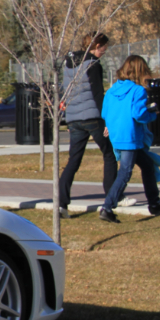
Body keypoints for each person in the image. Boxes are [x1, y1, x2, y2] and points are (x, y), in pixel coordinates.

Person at [98, 55, 160, 223]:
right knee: (125, 172)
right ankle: (107, 207)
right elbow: (138, 114)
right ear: (140, 71)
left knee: (148, 166)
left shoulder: (112, 90)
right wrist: (151, 114)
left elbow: (104, 113)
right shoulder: (138, 91)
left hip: (117, 136)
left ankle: (155, 203)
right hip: (130, 137)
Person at [57, 33, 120, 218]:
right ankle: (111, 198)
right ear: (97, 45)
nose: (105, 51)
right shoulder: (93, 64)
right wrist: (107, 119)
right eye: (104, 48)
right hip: (93, 117)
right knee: (109, 153)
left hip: (74, 118)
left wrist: (67, 115)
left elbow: (66, 91)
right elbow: (98, 94)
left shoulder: (69, 64)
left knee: (73, 160)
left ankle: (61, 203)